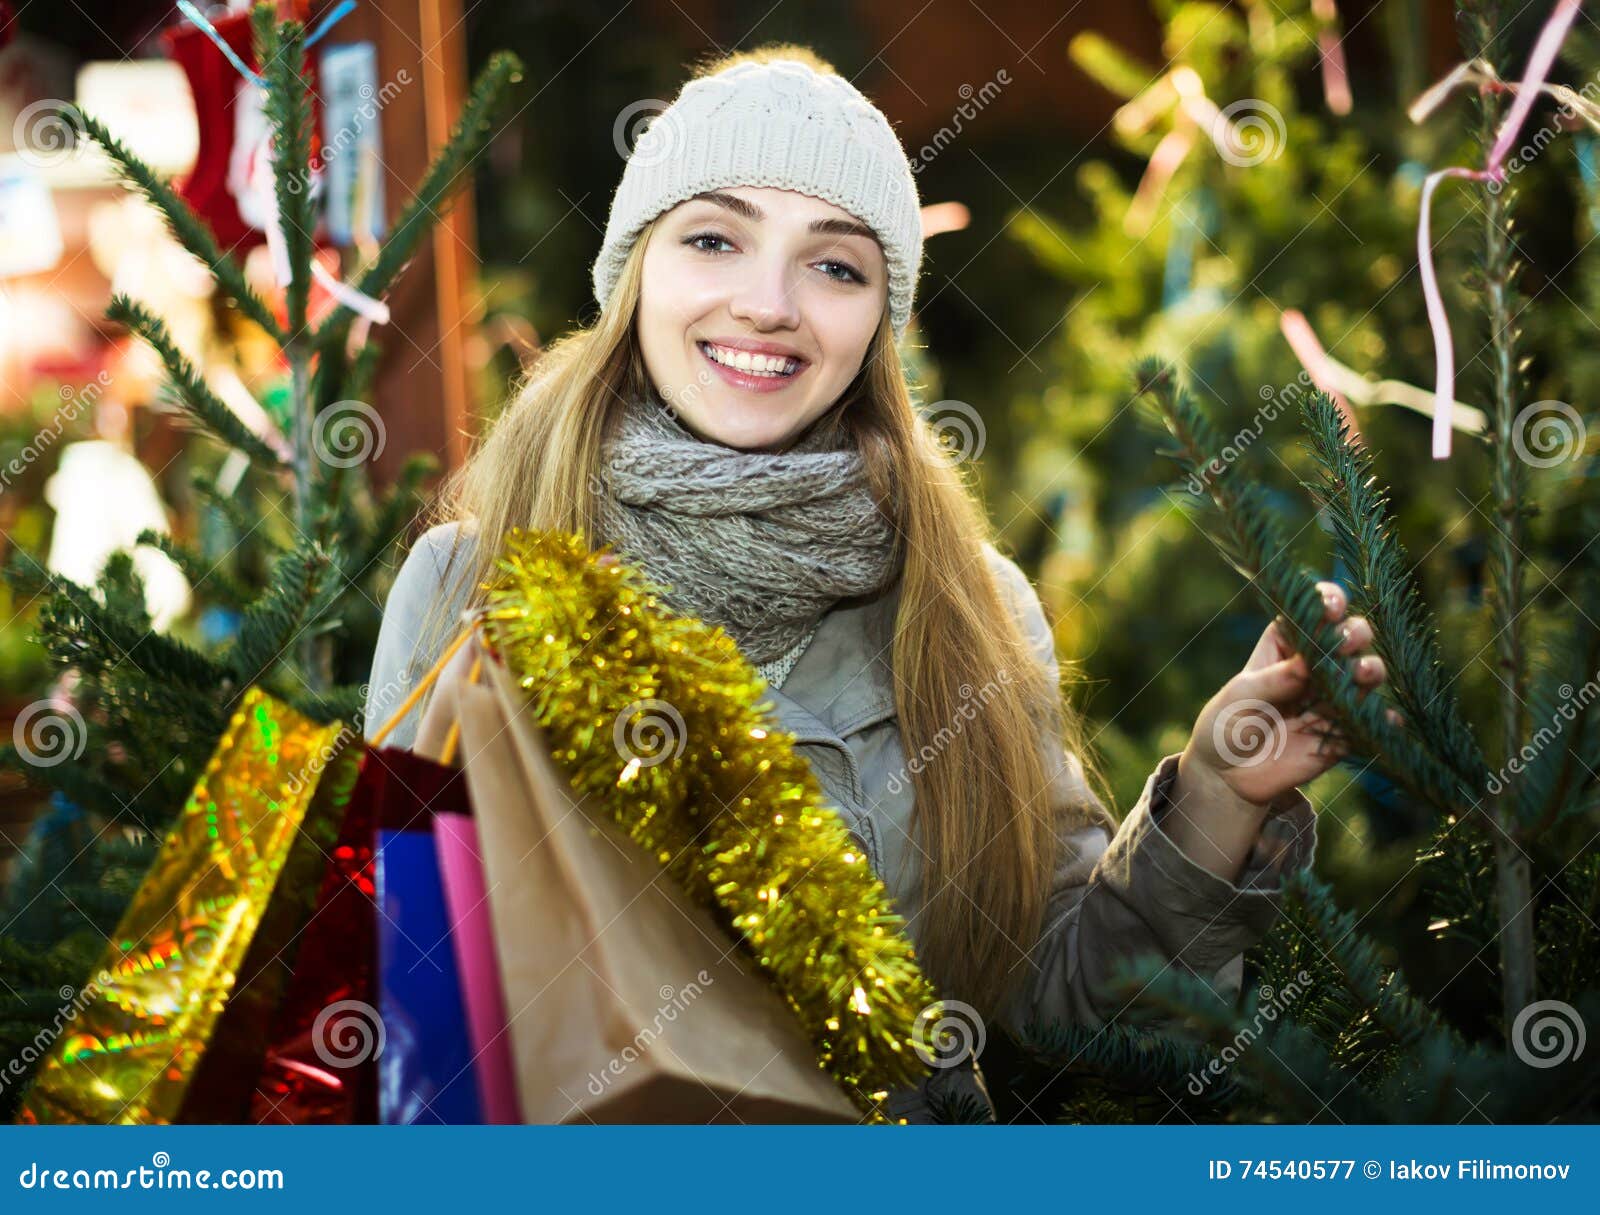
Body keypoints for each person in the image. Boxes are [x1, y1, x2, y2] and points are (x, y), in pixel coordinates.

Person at [363, 45, 1389, 1122]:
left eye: (836, 266)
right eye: (714, 239)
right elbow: (400, 993)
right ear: (634, 276)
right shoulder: (469, 582)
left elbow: (1081, 1016)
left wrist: (1220, 798)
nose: (768, 305)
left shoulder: (969, 612)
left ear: (877, 329)